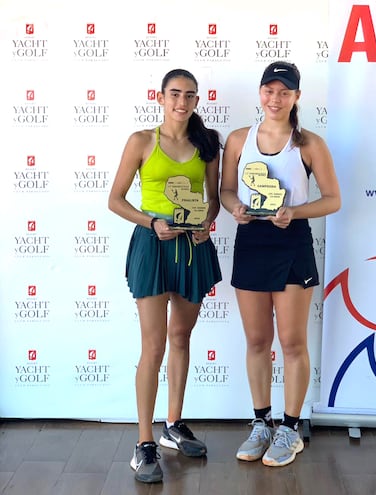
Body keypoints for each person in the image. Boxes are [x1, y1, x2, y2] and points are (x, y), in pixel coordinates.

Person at [220, 61, 341, 467]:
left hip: (292, 244)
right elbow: (226, 190)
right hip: (251, 242)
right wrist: (234, 205)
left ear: (297, 97)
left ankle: (289, 428)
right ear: (260, 93)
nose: (276, 98)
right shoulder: (239, 139)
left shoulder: (309, 144)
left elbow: (332, 200)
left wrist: (296, 211)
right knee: (257, 341)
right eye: (269, 90)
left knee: (292, 342)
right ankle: (261, 423)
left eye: (284, 91)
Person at [108, 69, 222, 483]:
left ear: (196, 100)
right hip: (151, 246)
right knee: (153, 345)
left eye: (189, 95)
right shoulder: (141, 141)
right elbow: (115, 200)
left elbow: (213, 203)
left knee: (180, 338)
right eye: (175, 93)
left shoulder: (207, 144)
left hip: (192, 250)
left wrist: (206, 223)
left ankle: (173, 426)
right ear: (160, 97)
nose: (182, 101)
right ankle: (144, 444)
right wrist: (150, 222)